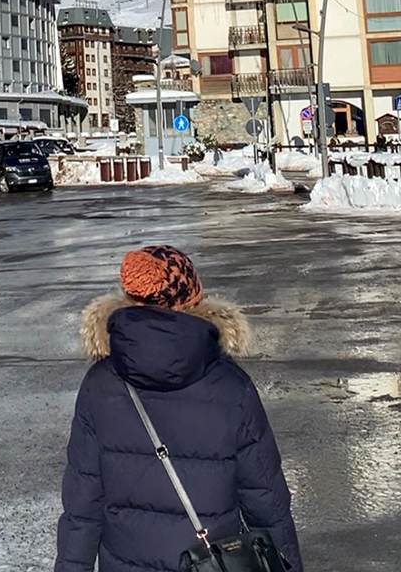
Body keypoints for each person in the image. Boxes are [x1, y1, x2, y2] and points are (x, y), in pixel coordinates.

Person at [55, 245, 302, 572]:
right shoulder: (231, 386)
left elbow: (81, 508)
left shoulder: (99, 384)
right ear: (195, 301)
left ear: (129, 299)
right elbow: (266, 501)